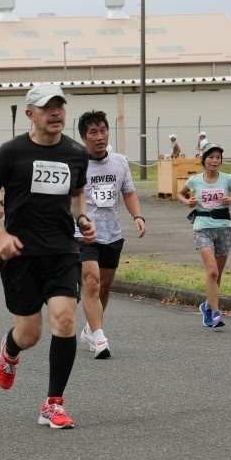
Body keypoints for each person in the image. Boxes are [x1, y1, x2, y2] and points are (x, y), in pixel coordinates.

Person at [0, 83, 94, 429]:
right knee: (29, 335)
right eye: (47, 107)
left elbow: (77, 192)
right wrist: (0, 234)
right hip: (21, 254)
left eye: (59, 106)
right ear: (30, 114)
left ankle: (53, 404)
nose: (55, 113)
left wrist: (82, 217)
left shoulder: (75, 152)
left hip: (61, 250)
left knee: (65, 320)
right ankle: (10, 351)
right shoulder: (12, 152)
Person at [76, 110, 146, 359]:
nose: (99, 136)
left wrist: (137, 216)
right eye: (93, 132)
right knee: (91, 282)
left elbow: (128, 192)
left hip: (112, 234)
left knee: (104, 287)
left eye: (103, 130)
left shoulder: (119, 161)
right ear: (84, 138)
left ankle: (90, 328)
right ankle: (100, 338)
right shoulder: (76, 164)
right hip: (83, 234)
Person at [176, 142, 231, 328]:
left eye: (218, 158)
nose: (215, 161)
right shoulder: (194, 181)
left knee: (218, 274)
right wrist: (187, 202)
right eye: (211, 157)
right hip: (202, 227)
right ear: (204, 160)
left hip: (224, 227)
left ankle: (207, 306)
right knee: (212, 271)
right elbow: (179, 194)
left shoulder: (228, 179)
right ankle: (216, 314)